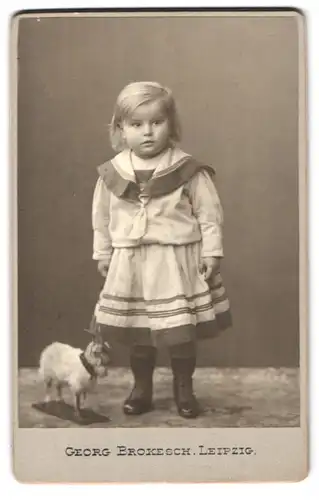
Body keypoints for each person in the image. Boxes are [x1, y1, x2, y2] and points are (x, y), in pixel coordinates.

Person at [91, 81, 232, 419]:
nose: (148, 132)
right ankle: (142, 388)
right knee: (141, 333)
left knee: (180, 332)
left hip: (175, 261)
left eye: (157, 122)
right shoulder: (113, 173)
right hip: (134, 264)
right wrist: (103, 252)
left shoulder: (186, 170)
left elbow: (209, 216)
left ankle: (184, 388)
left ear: (172, 124)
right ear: (120, 129)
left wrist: (211, 253)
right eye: (136, 125)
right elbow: (101, 217)